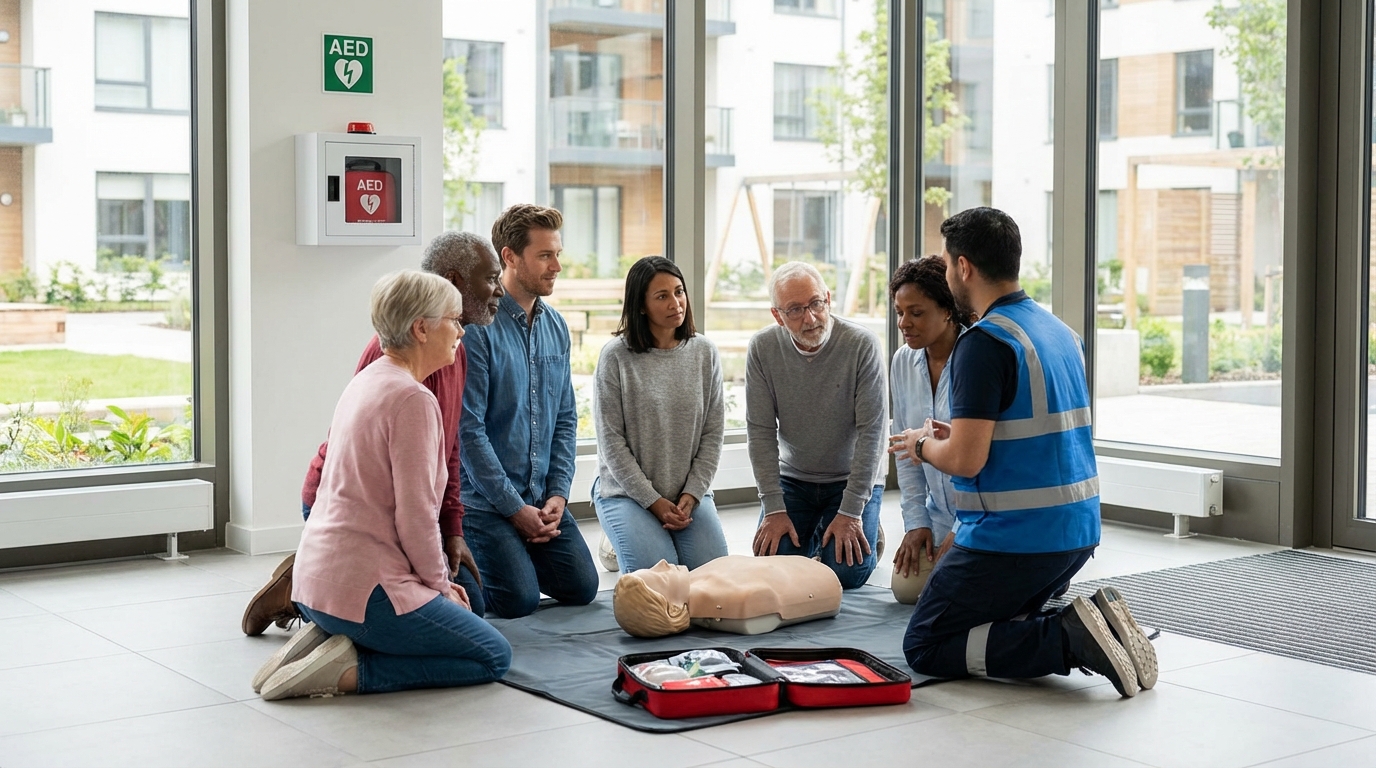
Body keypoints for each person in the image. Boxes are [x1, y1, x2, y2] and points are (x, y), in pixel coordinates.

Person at [891, 207, 1157, 698]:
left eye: (949, 266)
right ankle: (1091, 621)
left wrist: (921, 445)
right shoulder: (1059, 332)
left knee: (927, 642)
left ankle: (1069, 637)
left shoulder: (983, 343)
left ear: (964, 268)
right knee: (993, 618)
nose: (948, 275)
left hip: (1014, 539)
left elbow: (965, 462)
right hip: (1075, 535)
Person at [253, 270, 512, 701]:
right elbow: (415, 518)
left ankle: (330, 641)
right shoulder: (413, 400)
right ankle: (348, 669)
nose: (461, 329)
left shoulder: (368, 379)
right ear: (421, 328)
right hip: (363, 589)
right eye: (453, 319)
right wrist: (439, 585)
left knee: (472, 613)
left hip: (316, 585)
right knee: (493, 655)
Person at [459, 204, 599, 619]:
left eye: (558, 253)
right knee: (517, 602)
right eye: (545, 255)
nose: (557, 265)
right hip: (485, 502)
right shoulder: (477, 328)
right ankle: (468, 554)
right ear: (510, 257)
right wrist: (514, 510)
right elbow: (468, 432)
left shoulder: (556, 325)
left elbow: (566, 419)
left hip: (541, 496)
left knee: (583, 588)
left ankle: (515, 554)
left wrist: (557, 494)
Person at [746, 261, 887, 589]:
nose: (810, 318)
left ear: (827, 298)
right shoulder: (763, 349)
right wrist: (773, 508)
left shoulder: (862, 345)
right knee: (772, 563)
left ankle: (862, 521)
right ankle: (817, 533)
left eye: (815, 304)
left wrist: (851, 512)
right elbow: (761, 432)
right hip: (794, 479)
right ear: (777, 315)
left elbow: (873, 433)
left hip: (850, 479)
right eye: (795, 310)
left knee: (846, 574)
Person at [592, 256, 729, 573]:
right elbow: (611, 442)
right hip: (627, 494)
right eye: (662, 296)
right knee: (658, 583)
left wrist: (693, 494)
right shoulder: (615, 357)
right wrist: (652, 501)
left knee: (713, 579)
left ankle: (643, 534)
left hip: (686, 496)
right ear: (641, 306)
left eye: (679, 292)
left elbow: (713, 434)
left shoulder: (705, 352)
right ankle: (614, 544)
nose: (676, 303)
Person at [888, 256, 965, 587]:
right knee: (906, 590)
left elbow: (983, 460)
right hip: (937, 514)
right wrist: (916, 523)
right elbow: (905, 454)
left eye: (916, 313)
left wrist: (963, 528)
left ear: (947, 310)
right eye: (899, 313)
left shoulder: (977, 356)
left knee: (954, 594)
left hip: (979, 515)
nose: (904, 323)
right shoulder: (903, 361)